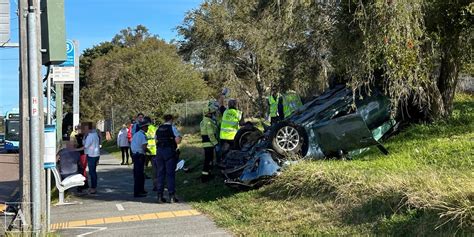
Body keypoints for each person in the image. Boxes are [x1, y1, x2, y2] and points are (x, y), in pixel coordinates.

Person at [155, 114, 182, 203]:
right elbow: (177, 141)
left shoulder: (158, 128)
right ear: (171, 119)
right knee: (170, 174)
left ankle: (160, 196)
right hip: (169, 152)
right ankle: (171, 196)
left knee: (160, 174)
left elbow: (156, 140)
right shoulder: (172, 128)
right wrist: (179, 138)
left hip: (159, 152)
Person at [130, 118, 150, 198]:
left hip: (135, 155)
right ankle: (137, 192)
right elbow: (144, 147)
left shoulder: (136, 134)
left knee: (139, 174)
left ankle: (141, 190)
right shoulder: (142, 135)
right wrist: (149, 152)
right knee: (139, 174)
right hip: (139, 156)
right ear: (143, 127)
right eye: (147, 127)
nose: (148, 128)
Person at [200, 101, 219, 182]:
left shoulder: (203, 121)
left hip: (206, 144)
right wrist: (216, 143)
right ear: (208, 113)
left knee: (209, 160)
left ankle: (208, 174)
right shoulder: (208, 122)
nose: (213, 114)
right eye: (212, 113)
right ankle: (205, 177)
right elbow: (211, 134)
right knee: (208, 160)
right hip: (209, 144)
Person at [82, 122, 101, 194]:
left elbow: (86, 145)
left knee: (92, 172)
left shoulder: (90, 136)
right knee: (93, 172)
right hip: (96, 154)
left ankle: (93, 187)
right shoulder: (95, 134)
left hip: (91, 155)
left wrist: (76, 149)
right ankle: (93, 186)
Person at [75, 126, 89, 192]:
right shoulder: (79, 136)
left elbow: (83, 145)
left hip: (83, 153)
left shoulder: (83, 136)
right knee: (82, 169)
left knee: (82, 169)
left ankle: (83, 184)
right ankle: (84, 183)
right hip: (80, 153)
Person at [145, 117, 157, 188]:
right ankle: (155, 185)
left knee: (143, 167)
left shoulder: (144, 129)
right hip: (154, 151)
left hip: (146, 151)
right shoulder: (154, 128)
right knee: (155, 169)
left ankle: (141, 186)